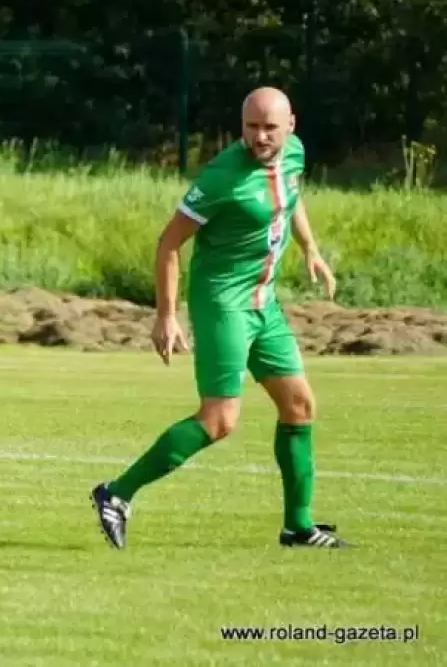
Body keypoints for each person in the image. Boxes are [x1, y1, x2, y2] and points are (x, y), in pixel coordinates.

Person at [89, 86, 353, 550]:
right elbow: (169, 243)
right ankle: (116, 494)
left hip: (263, 304)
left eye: (270, 127)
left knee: (299, 406)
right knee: (219, 419)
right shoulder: (222, 178)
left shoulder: (293, 153)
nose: (260, 137)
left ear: (291, 126)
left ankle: (298, 527)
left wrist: (311, 248)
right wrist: (166, 315)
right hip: (223, 304)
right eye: (251, 127)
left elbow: (291, 197)